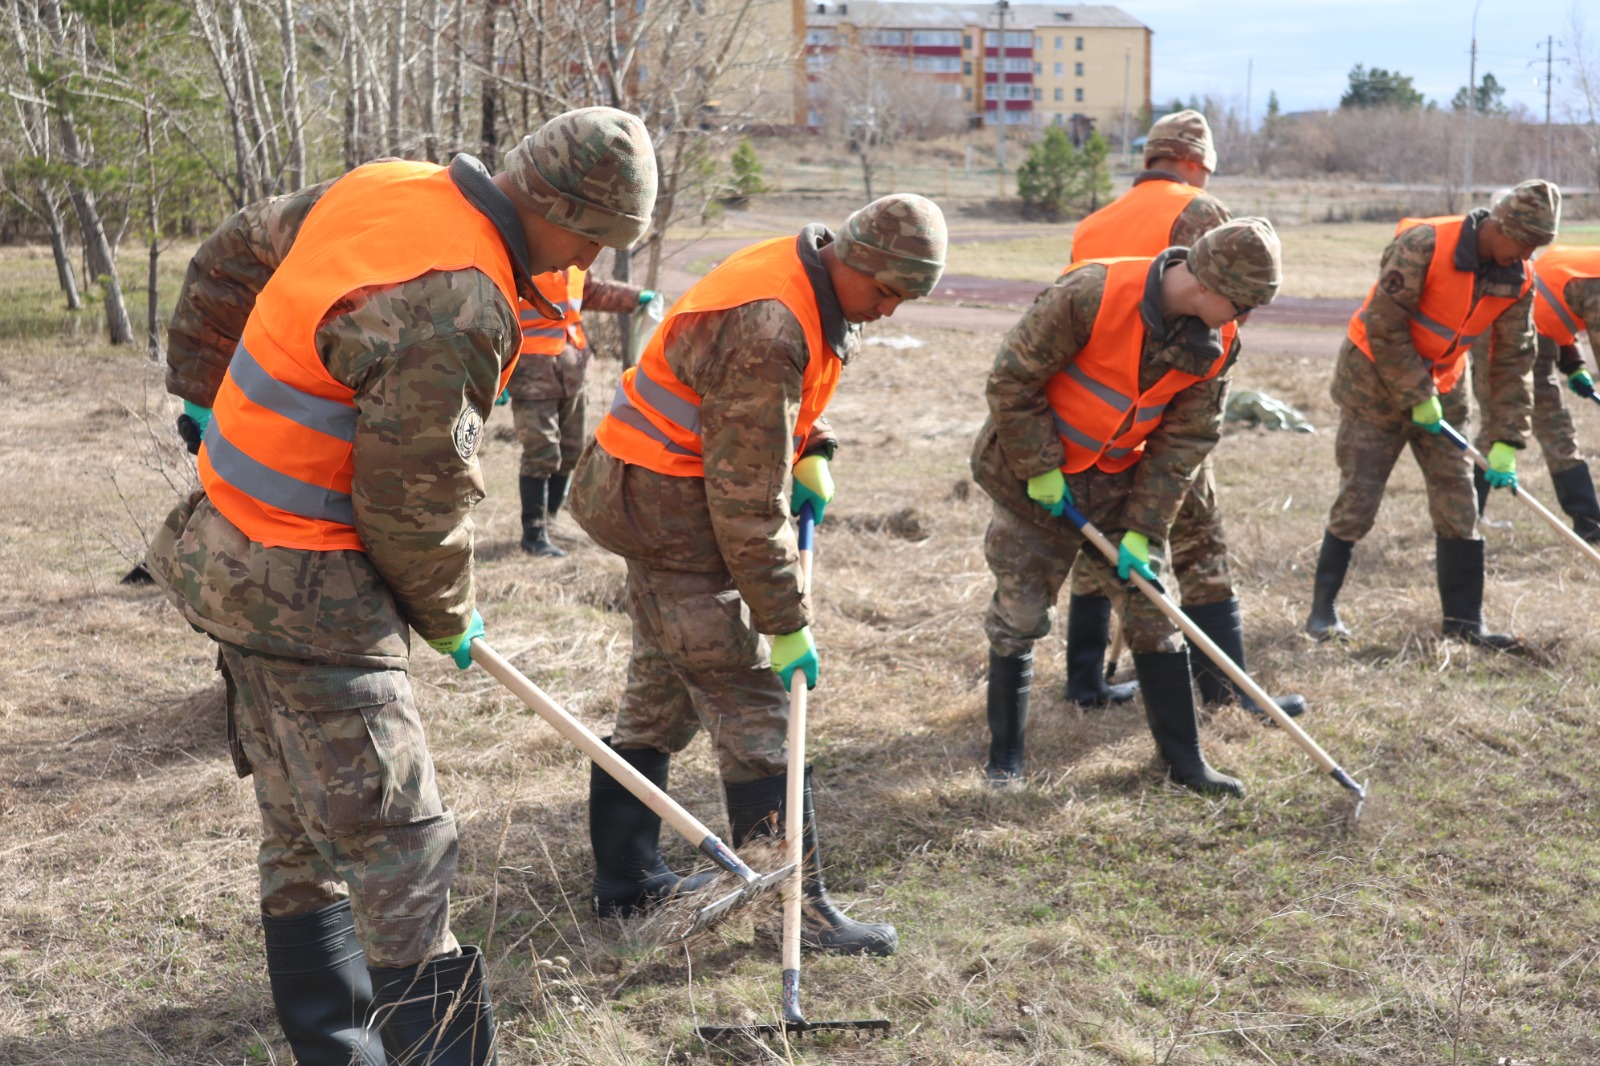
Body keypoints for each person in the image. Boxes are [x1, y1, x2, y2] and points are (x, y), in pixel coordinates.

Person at [148, 107, 658, 1065]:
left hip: (224, 551)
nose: (584, 258)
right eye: (591, 236)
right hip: (311, 589)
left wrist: (201, 393)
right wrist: (450, 614)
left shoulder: (386, 187)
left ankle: (336, 1050)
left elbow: (225, 254)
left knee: (301, 830)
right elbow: (412, 509)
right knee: (403, 846)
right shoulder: (459, 301)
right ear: (554, 206)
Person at [567, 193, 947, 957]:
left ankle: (625, 879)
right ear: (858, 260)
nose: (891, 312)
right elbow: (745, 510)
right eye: (887, 293)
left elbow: (771, 410)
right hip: (668, 506)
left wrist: (814, 446)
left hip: (655, 489)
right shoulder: (769, 323)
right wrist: (784, 620)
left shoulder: (803, 276)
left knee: (661, 685)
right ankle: (791, 912)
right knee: (752, 700)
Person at [973, 217, 1284, 796]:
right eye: (1242, 304)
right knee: (1019, 614)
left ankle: (1184, 765)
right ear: (1208, 286)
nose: (1244, 318)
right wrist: (1040, 466)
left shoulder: (1218, 342)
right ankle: (1004, 760)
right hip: (1031, 478)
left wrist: (1145, 528)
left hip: (1118, 482)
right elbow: (1011, 381)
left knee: (1153, 613)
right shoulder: (1089, 295)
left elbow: (1185, 441)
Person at [1064, 109, 1305, 721]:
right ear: (1198, 163)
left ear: (1150, 157)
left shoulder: (1095, 222)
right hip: (1169, 401)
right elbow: (1230, 308)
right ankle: (1226, 689)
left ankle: (1085, 679)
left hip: (1100, 413)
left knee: (1100, 538)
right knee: (1202, 541)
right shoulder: (1202, 212)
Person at [1304, 181, 1560, 648]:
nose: (1526, 254)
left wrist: (1506, 438)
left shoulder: (1518, 277)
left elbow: (1511, 360)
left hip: (1444, 388)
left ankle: (1465, 625)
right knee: (1359, 498)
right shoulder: (1425, 244)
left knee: (1459, 501)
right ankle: (1323, 612)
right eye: (1522, 242)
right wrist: (1414, 391)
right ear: (1500, 224)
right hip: (1373, 385)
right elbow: (1384, 324)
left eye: (1535, 247)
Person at [507, 268, 657, 557]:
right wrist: (496, 365)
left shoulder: (575, 262)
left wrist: (635, 297)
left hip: (573, 369)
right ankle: (534, 535)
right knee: (541, 452)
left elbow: (590, 291)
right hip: (530, 372)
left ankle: (551, 522)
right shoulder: (523, 259)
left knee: (572, 449)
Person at [1468, 244, 1600, 542]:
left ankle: (1589, 520)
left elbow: (1559, 300)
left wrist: (1574, 362)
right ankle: (1590, 523)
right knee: (1519, 426)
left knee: (1547, 427)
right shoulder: (1596, 280)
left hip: (1536, 328)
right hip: (1505, 335)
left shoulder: (1589, 263)